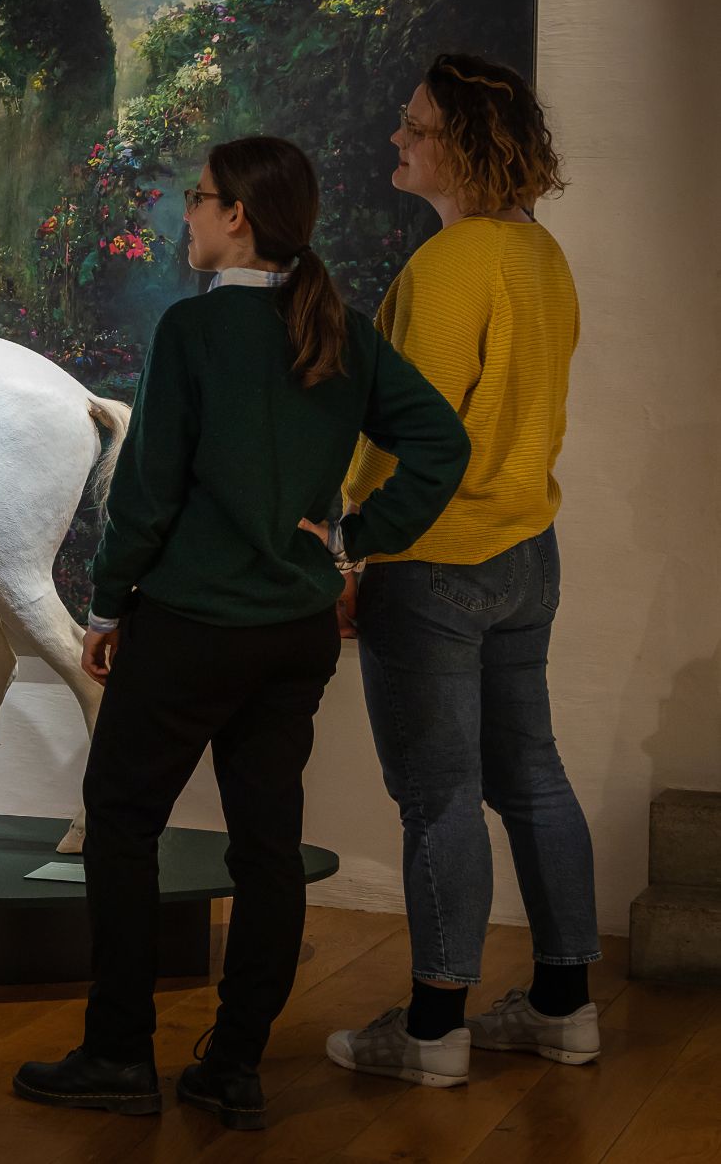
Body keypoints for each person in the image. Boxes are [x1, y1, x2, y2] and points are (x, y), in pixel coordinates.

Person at [11, 136, 469, 1131]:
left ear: (239, 218)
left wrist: (106, 605)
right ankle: (232, 1066)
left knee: (122, 826)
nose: (188, 214)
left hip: (191, 627)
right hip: (294, 631)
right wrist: (354, 540)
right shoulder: (341, 329)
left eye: (199, 198)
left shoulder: (192, 331)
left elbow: (148, 486)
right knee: (267, 848)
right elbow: (443, 443)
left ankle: (119, 1053)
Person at [326, 54, 596, 1086]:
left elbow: (412, 434)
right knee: (533, 776)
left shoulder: (447, 267)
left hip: (432, 561)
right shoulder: (544, 256)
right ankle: (566, 1007)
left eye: (416, 124)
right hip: (528, 551)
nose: (398, 137)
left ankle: (436, 1027)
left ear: (464, 144)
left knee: (438, 795)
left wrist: (354, 543)